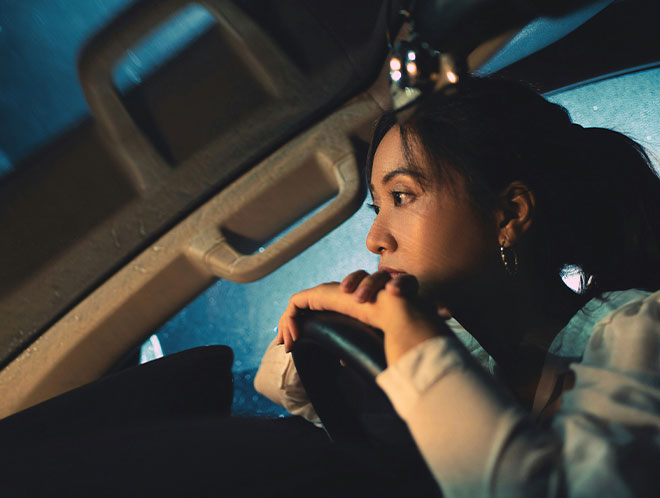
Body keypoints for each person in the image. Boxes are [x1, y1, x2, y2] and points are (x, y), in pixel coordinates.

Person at [255, 76, 660, 497]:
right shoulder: (460, 345)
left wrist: (414, 342)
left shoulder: (639, 334)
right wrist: (354, 317)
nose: (374, 238)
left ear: (507, 214)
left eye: (401, 196)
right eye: (377, 207)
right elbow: (277, 382)